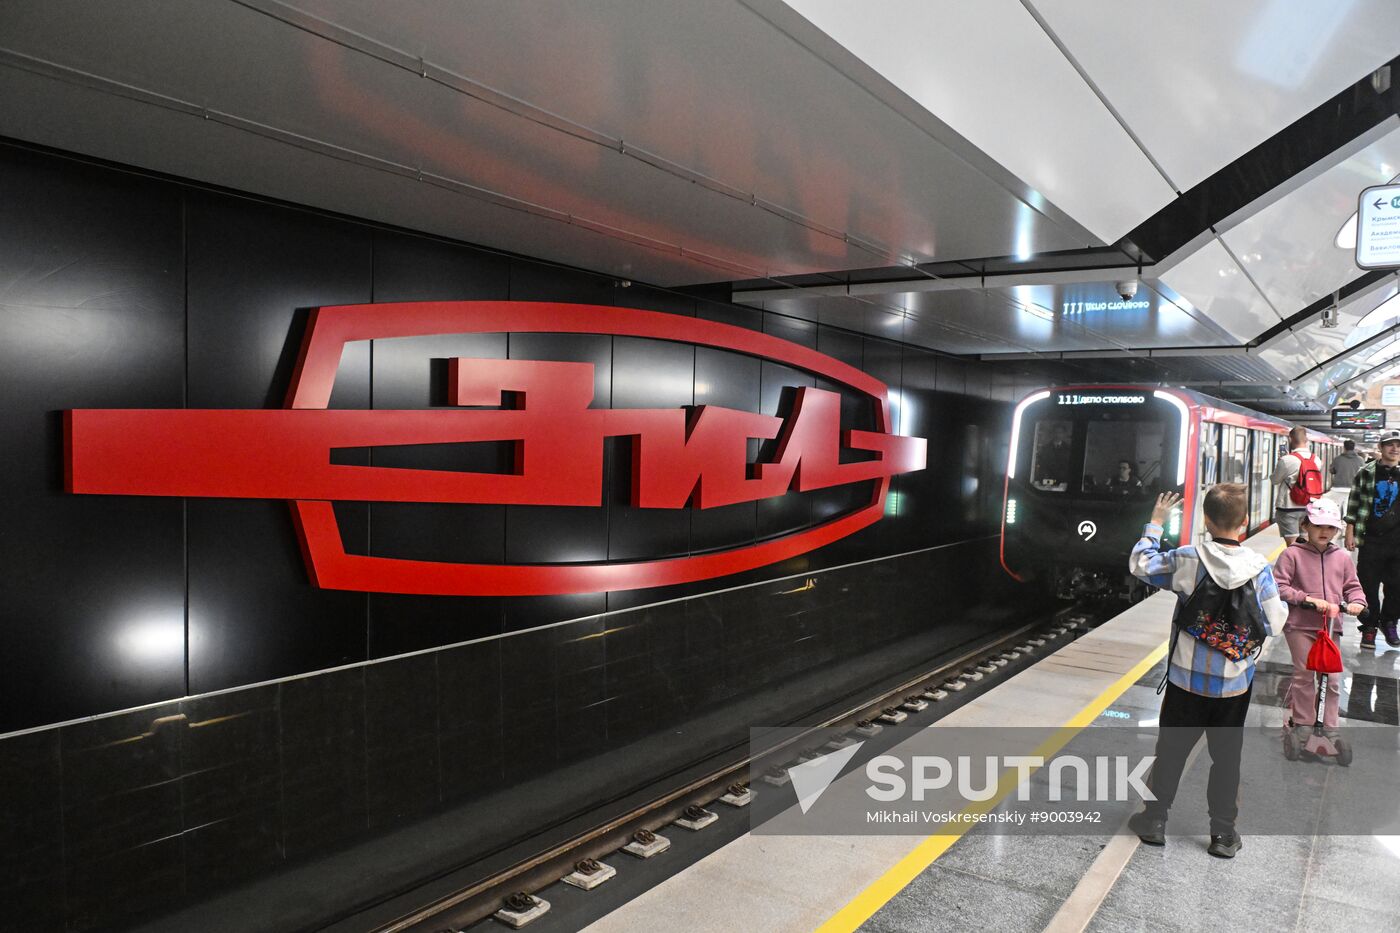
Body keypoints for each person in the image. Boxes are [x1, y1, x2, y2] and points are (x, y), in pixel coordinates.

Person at [1126, 484, 1288, 858]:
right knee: (1226, 758)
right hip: (1233, 685)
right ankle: (1222, 834)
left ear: (1206, 520)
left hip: (1186, 680)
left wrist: (1156, 522)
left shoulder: (1187, 559)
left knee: (1170, 751)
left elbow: (1140, 563)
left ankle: (1154, 820)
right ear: (1245, 522)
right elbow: (1275, 621)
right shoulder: (1258, 567)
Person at [1272, 498, 1364, 742]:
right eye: (1319, 526)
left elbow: (1353, 587)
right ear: (1306, 526)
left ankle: (1330, 725)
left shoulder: (1342, 557)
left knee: (1332, 679)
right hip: (1299, 626)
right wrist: (1306, 599)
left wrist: (1357, 602)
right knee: (1304, 674)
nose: (1325, 532)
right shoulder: (1292, 555)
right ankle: (1303, 721)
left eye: (1331, 528)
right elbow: (1278, 586)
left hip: (1331, 627)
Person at [1344, 430, 1400, 649]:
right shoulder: (1366, 472)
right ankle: (1369, 626)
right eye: (1390, 445)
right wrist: (1350, 531)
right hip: (1371, 541)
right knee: (1368, 585)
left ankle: (1389, 621)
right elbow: (1354, 503)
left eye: (1398, 445)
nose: (1394, 448)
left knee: (1397, 587)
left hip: (1398, 542)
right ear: (1380, 447)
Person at [1271, 426, 1317, 546]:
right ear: (1306, 440)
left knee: (1292, 545)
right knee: (1305, 541)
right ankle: (1305, 564)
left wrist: (1280, 462)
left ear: (1290, 439)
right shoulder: (1316, 460)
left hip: (1288, 507)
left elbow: (1274, 480)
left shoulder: (1287, 460)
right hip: (1309, 506)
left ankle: (1293, 564)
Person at [1330, 440, 1364, 510]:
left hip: (1338, 488)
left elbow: (1332, 471)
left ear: (1344, 447)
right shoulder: (1360, 460)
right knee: (1349, 510)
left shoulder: (1337, 459)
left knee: (1336, 509)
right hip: (1354, 489)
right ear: (1354, 448)